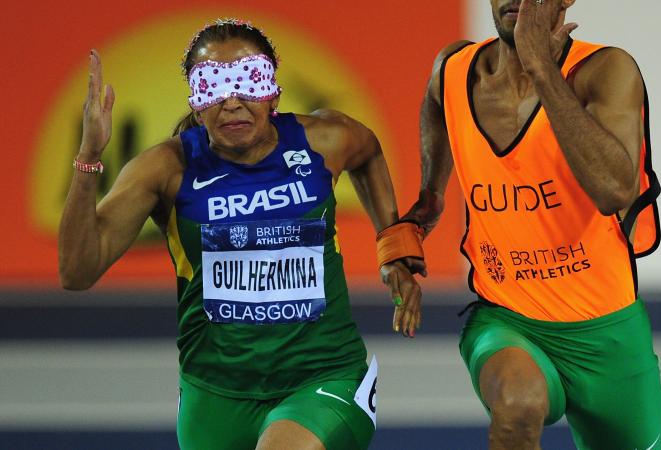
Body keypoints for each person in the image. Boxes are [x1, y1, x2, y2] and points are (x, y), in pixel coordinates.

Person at [59, 18, 424, 450]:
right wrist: (87, 158)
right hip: (215, 392)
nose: (232, 101)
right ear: (197, 103)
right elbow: (77, 271)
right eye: (214, 85)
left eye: (248, 79)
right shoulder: (166, 170)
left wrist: (393, 248)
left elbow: (369, 153)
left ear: (273, 92)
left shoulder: (324, 140)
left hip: (323, 376)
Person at [402, 0, 661, 449]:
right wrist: (430, 198)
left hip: (607, 332)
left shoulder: (605, 70)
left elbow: (614, 192)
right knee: (517, 405)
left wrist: (542, 68)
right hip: (507, 319)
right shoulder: (454, 67)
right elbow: (435, 99)